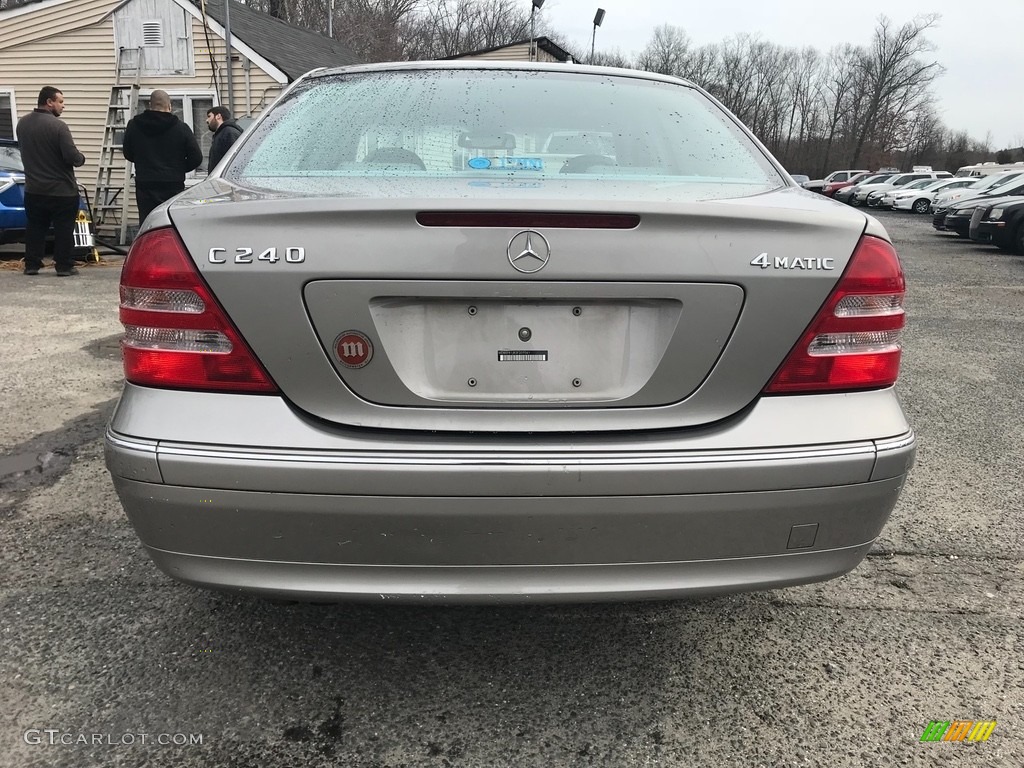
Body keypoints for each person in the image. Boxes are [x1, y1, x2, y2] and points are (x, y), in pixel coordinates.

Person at [16, 86, 85, 276]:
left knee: (35, 228)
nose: (63, 106)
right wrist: (81, 158)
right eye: (60, 101)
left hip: (33, 189)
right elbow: (71, 156)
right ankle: (64, 265)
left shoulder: (22, 124)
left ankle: (32, 264)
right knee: (64, 229)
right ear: (49, 102)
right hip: (61, 191)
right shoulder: (58, 127)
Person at [122, 90, 203, 223]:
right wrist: (177, 169)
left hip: (145, 184)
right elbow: (196, 158)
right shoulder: (181, 128)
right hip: (173, 185)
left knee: (148, 223)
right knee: (170, 223)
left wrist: (144, 163)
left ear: (150, 104)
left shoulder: (134, 126)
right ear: (169, 106)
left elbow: (128, 153)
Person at [205, 106, 243, 171]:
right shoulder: (222, 133)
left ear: (218, 116)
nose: (207, 120)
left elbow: (237, 159)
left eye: (209, 116)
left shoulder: (229, 133)